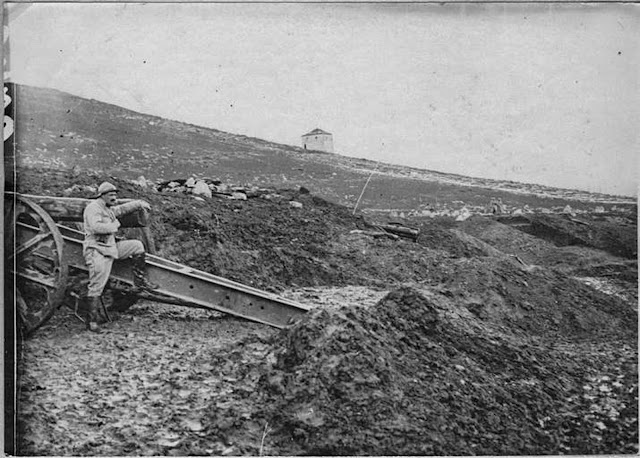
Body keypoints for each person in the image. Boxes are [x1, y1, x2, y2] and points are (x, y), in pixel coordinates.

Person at [82, 181, 158, 332]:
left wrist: (138, 203)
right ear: (102, 196)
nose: (114, 198)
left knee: (137, 246)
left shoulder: (107, 208)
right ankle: (92, 322)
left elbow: (121, 209)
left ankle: (140, 282)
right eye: (111, 195)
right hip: (97, 250)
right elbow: (96, 227)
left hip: (110, 247)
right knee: (96, 285)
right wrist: (115, 226)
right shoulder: (93, 208)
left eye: (115, 195)